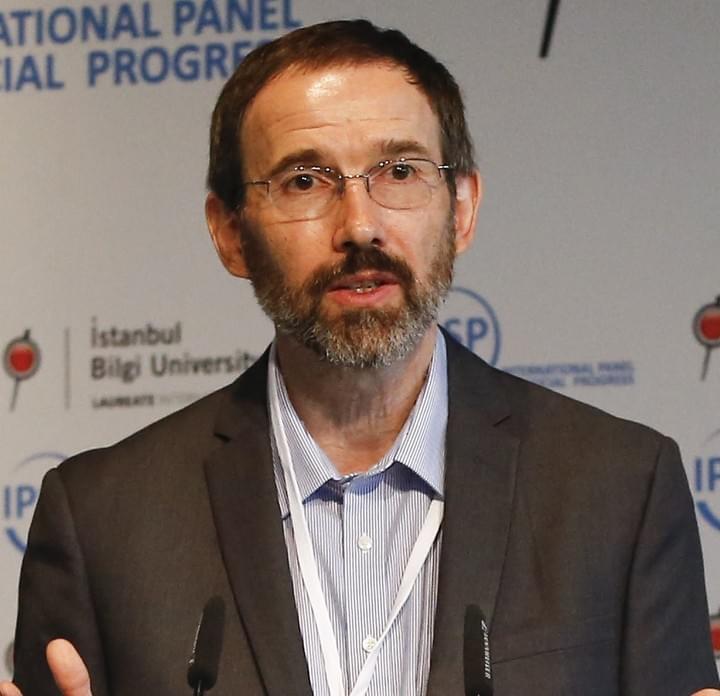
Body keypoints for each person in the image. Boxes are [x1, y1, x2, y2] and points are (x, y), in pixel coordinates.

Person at [1, 19, 719, 696]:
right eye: (304, 181)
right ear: (230, 233)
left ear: (462, 209)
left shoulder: (619, 491)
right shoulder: (103, 521)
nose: (360, 225)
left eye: (399, 170)